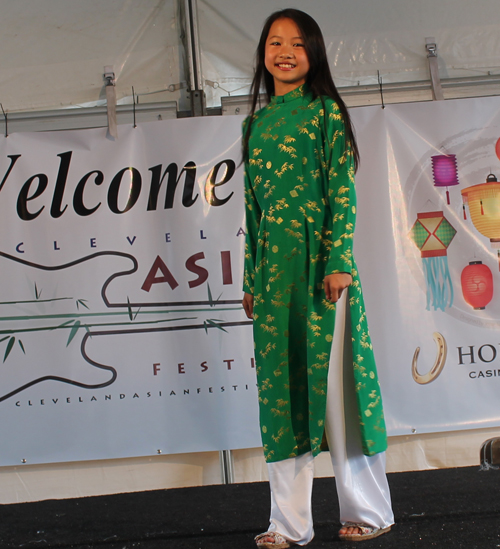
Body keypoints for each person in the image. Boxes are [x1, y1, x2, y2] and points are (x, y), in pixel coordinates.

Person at [241, 8, 394, 547]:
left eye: (297, 43)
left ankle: (369, 511)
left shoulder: (325, 111)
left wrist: (337, 262)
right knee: (281, 396)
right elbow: (252, 210)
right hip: (274, 279)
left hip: (321, 272)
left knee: (337, 393)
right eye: (275, 41)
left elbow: (342, 193)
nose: (285, 51)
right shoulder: (254, 124)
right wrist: (250, 278)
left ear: (314, 53)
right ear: (263, 51)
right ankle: (288, 523)